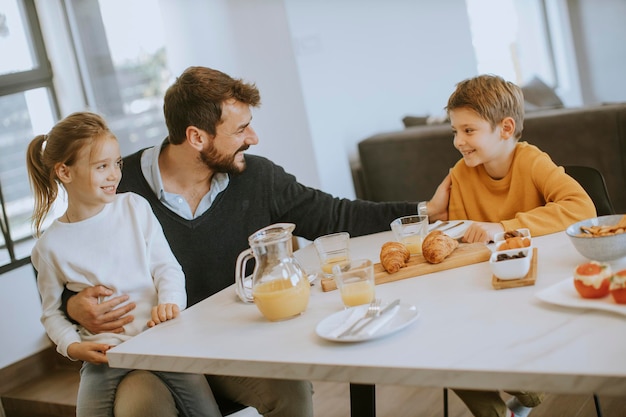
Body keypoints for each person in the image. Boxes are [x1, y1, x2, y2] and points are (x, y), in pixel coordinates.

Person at [61, 67, 419, 417]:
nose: (253, 138)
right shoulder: (120, 187)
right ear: (197, 137)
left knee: (289, 389)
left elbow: (337, 216)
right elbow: (63, 258)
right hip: (153, 355)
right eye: (241, 129)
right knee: (140, 405)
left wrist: (423, 210)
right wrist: (73, 305)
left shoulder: (257, 176)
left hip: (231, 346)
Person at [419, 74, 596, 417]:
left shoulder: (531, 162)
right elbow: (460, 240)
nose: (458, 141)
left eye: (469, 130)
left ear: (505, 127)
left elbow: (582, 208)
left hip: (533, 292)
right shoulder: (460, 173)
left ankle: (531, 387)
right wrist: (436, 221)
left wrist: (502, 228)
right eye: (454, 131)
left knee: (492, 359)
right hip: (484, 296)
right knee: (445, 343)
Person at [26, 112, 223, 417]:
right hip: (105, 357)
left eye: (116, 164)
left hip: (162, 341)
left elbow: (166, 268)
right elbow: (51, 313)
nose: (114, 175)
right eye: (101, 167)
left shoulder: (134, 207)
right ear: (64, 172)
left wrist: (171, 303)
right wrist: (72, 346)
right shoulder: (49, 246)